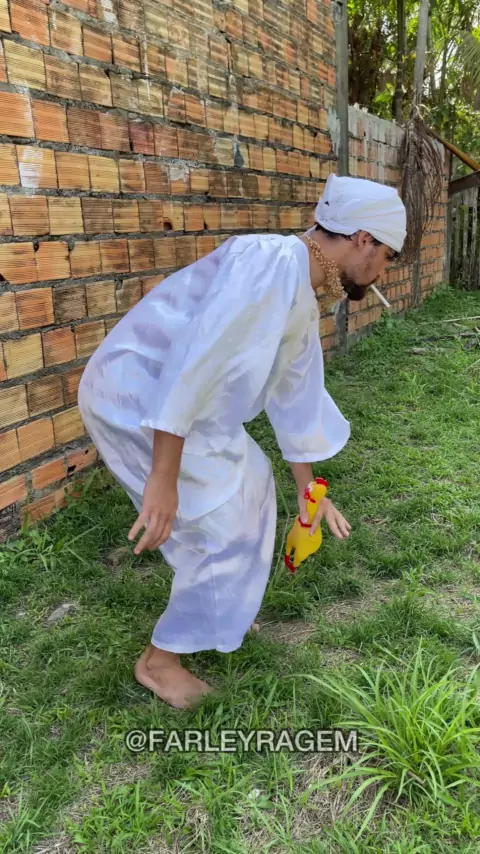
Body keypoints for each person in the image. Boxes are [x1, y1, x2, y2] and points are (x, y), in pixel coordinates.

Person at [78, 174, 407, 709]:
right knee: (225, 513)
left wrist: (310, 493)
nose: (383, 271)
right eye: (387, 256)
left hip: (183, 407)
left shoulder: (299, 291)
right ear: (364, 239)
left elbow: (296, 395)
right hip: (136, 394)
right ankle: (159, 662)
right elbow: (194, 361)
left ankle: (219, 602)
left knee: (252, 485)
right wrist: (163, 478)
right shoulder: (268, 263)